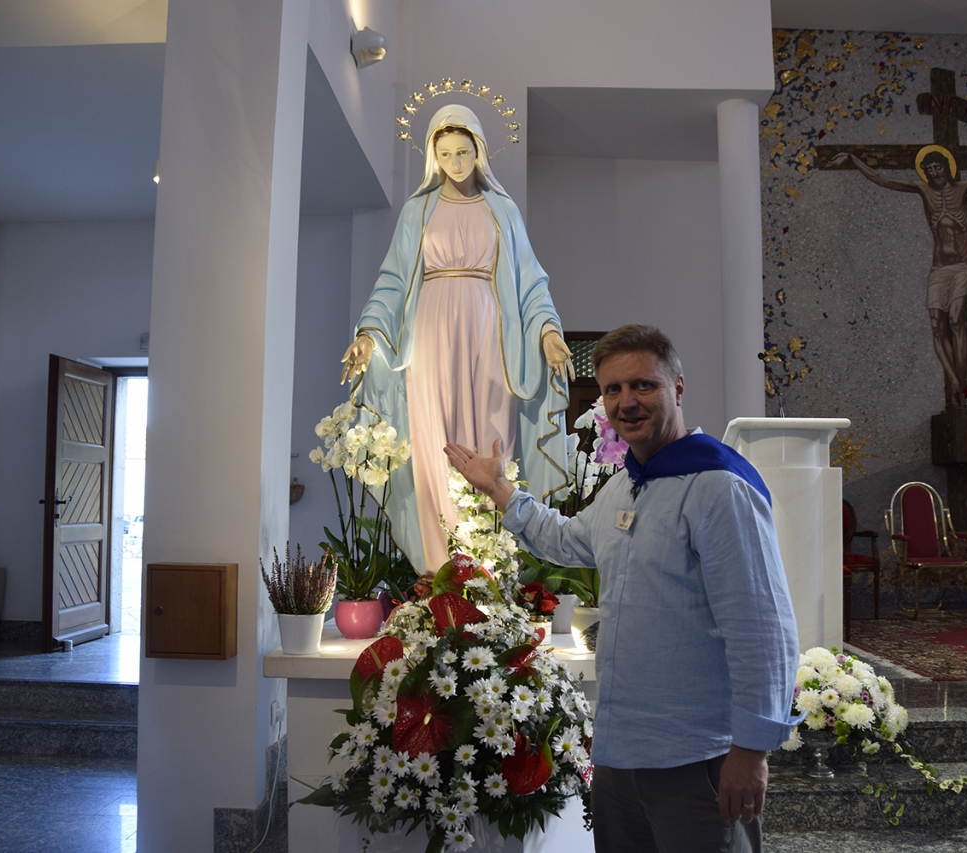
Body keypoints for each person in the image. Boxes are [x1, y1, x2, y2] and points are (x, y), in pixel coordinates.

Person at [444, 324, 803, 853]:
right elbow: (567, 539)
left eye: (643, 386)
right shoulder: (627, 483)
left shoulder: (718, 487)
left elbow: (763, 628)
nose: (626, 402)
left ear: (678, 388)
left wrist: (751, 751)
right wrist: (500, 489)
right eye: (613, 389)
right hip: (620, 756)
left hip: (694, 758)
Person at [340, 104, 572, 575]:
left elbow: (530, 281)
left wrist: (548, 331)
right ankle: (438, 566)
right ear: (433, 156)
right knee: (432, 441)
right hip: (430, 336)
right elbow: (392, 281)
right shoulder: (418, 211)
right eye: (445, 153)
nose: (456, 162)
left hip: (490, 336)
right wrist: (369, 333)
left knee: (491, 436)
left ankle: (489, 566)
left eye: (463, 151)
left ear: (479, 150)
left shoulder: (502, 210)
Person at [829, 146, 967, 410]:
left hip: (961, 267)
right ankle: (956, 384)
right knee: (936, 326)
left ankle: (965, 386)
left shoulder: (964, 188)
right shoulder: (923, 190)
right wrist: (853, 160)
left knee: (955, 320)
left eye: (938, 167)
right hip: (939, 270)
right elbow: (883, 180)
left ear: (947, 167)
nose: (934, 173)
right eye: (929, 169)